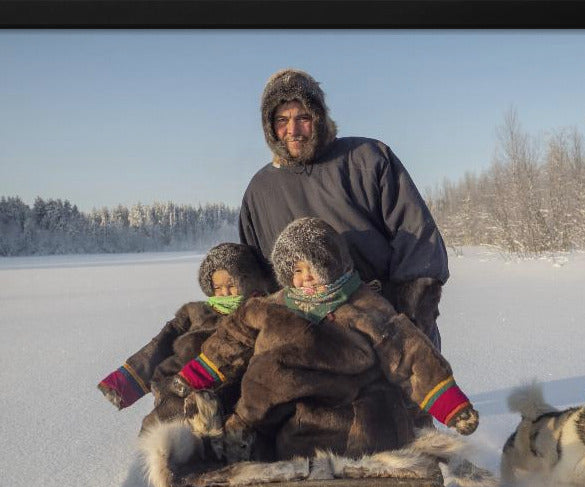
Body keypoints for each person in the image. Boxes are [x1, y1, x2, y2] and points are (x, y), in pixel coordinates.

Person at [169, 217, 479, 463]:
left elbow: (408, 353)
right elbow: (233, 339)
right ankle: (236, 443)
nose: (303, 278)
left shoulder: (362, 305)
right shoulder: (273, 304)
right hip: (282, 408)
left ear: (330, 264)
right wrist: (197, 374)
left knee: (362, 421)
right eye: (295, 270)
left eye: (311, 268)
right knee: (258, 393)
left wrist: (450, 405)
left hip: (344, 405)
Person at [238, 68, 448, 350]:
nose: (293, 129)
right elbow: (256, 277)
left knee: (426, 392)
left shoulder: (367, 158)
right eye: (282, 120)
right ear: (269, 126)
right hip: (311, 343)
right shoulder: (259, 190)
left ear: (319, 117)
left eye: (303, 117)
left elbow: (416, 236)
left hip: (385, 324)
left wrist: (412, 312)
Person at [97, 242, 274, 432]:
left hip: (224, 391)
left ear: (248, 282)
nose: (224, 293)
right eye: (218, 287)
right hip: (176, 383)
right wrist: (124, 383)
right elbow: (161, 343)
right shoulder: (197, 312)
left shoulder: (256, 314)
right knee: (159, 424)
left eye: (231, 286)